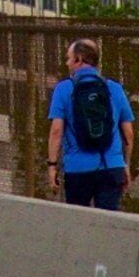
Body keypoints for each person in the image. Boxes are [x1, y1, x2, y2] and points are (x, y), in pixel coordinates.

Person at [48, 39, 132, 209]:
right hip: (111, 166)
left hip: (77, 168)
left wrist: (52, 166)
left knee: (79, 225)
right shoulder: (114, 88)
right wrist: (125, 164)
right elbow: (128, 133)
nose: (67, 63)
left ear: (79, 59)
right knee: (108, 225)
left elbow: (56, 131)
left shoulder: (64, 89)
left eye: (69, 58)